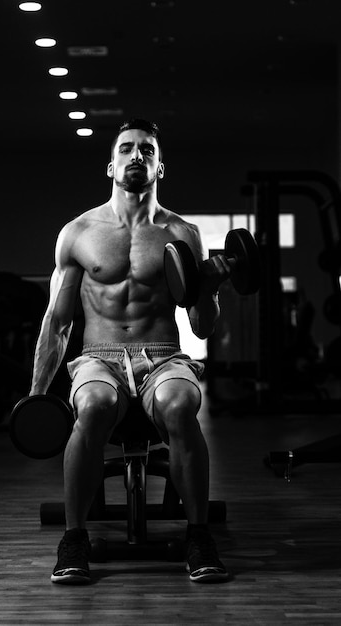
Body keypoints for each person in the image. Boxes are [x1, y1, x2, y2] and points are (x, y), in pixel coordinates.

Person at [30, 118, 232, 585]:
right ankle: (74, 538)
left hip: (163, 354)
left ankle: (198, 535)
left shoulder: (182, 233)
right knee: (94, 404)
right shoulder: (77, 233)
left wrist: (211, 289)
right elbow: (57, 323)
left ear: (160, 167)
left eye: (147, 150)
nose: (136, 156)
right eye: (126, 149)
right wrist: (37, 395)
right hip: (98, 355)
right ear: (110, 165)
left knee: (182, 404)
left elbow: (201, 325)